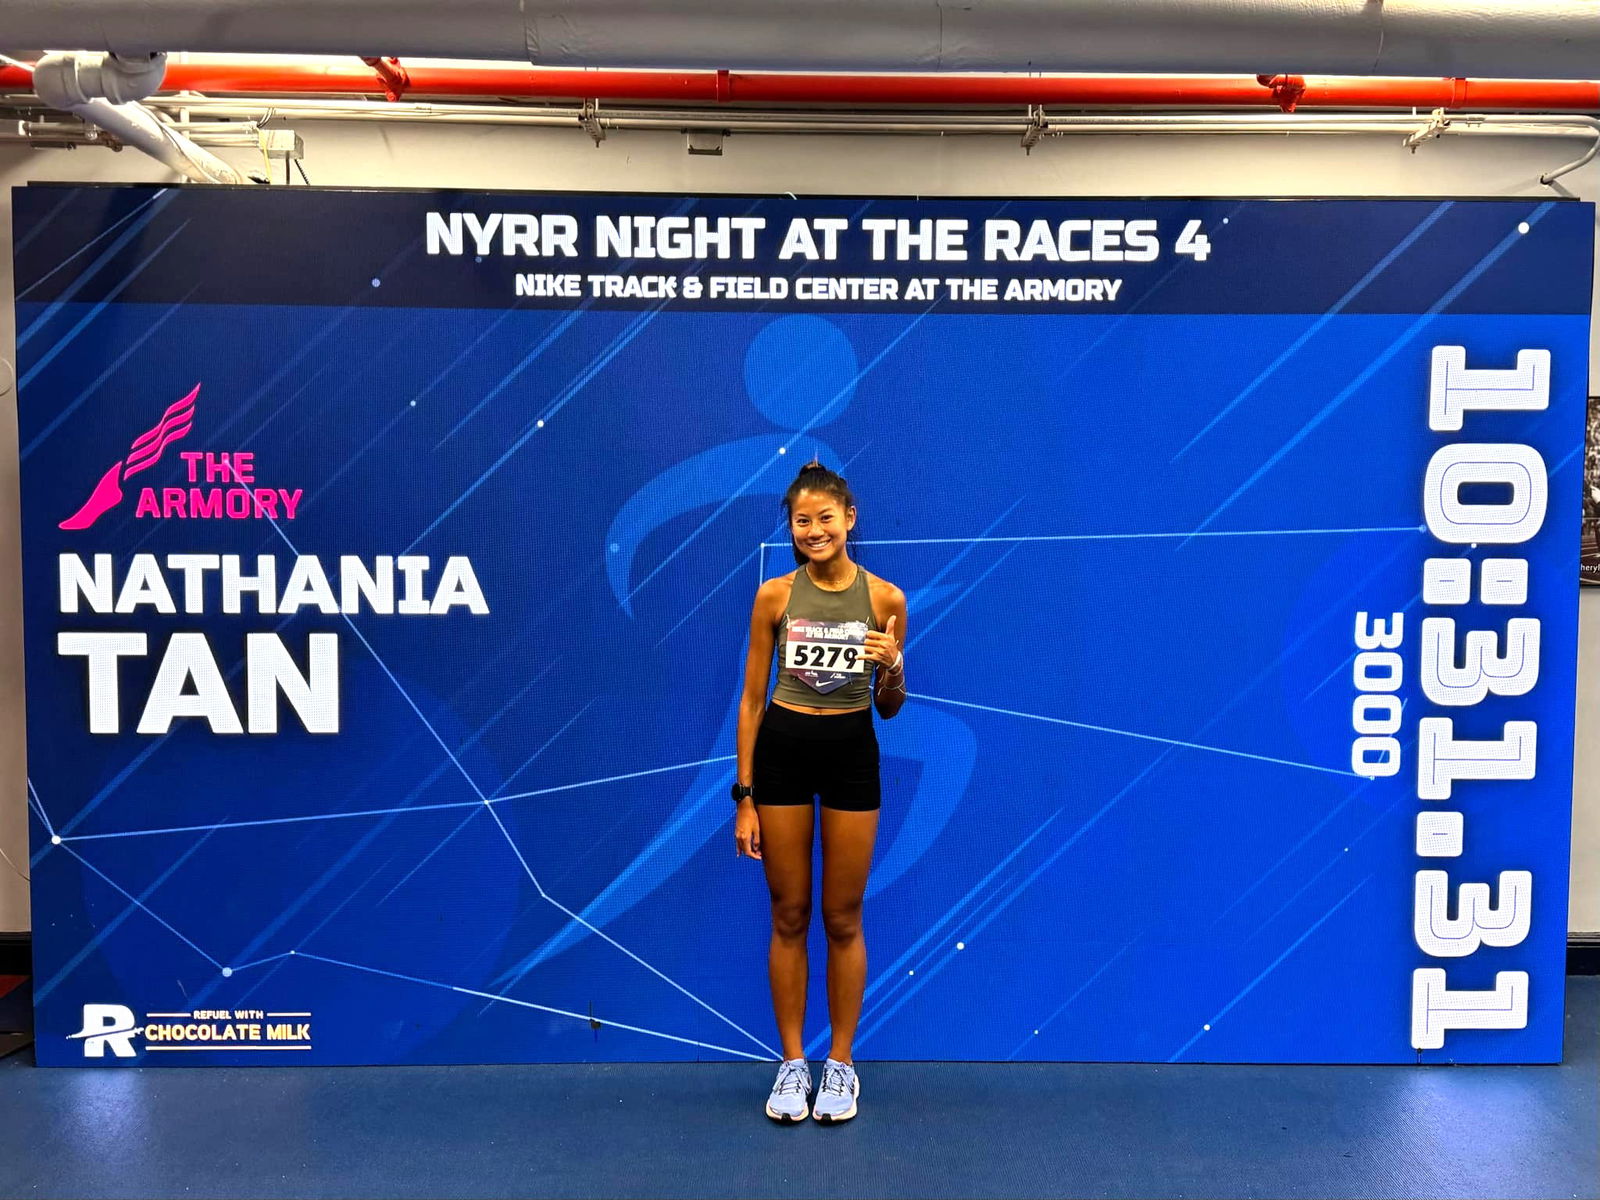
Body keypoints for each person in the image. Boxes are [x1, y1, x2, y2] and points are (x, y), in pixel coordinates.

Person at [732, 459, 908, 1124]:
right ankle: (791, 1065)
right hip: (781, 756)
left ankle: (840, 1065)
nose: (813, 530)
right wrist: (744, 796)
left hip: (851, 757)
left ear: (849, 520)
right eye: (801, 521)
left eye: (825, 518)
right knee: (789, 913)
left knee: (842, 917)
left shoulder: (886, 599)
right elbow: (751, 701)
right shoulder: (773, 597)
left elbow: (888, 707)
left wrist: (894, 668)